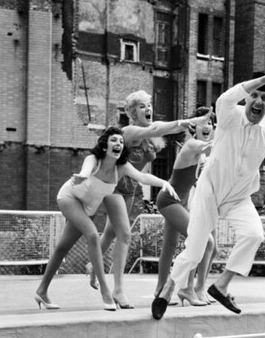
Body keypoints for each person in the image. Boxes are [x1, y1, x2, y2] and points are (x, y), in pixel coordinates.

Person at [151, 68, 265, 319]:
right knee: (194, 250)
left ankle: (221, 285)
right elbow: (226, 97)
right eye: (255, 96)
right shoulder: (229, 114)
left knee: (254, 234)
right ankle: (169, 287)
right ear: (247, 97)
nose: (259, 102)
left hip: (239, 196)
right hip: (210, 190)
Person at [86, 91, 211, 309]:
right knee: (124, 234)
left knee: (111, 233)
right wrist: (190, 121)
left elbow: (163, 129)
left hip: (130, 189)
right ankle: (118, 290)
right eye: (142, 106)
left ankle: (92, 266)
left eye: (149, 104)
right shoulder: (130, 131)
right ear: (133, 112)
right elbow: (156, 128)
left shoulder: (150, 138)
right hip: (113, 186)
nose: (148, 109)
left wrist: (188, 124)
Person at [34, 127, 177, 312]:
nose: (118, 144)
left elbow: (142, 176)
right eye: (113, 140)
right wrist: (82, 177)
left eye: (120, 141)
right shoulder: (93, 160)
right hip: (70, 198)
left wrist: (164, 183)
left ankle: (41, 290)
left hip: (87, 207)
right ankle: (105, 291)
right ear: (104, 145)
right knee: (93, 235)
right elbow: (86, 171)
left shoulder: (122, 167)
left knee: (63, 247)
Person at [154, 106, 219, 306]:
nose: (208, 127)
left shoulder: (201, 153)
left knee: (171, 245)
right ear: (193, 128)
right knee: (203, 241)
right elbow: (212, 147)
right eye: (203, 123)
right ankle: (187, 289)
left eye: (211, 123)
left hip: (181, 201)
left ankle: (163, 289)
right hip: (169, 200)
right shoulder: (191, 145)